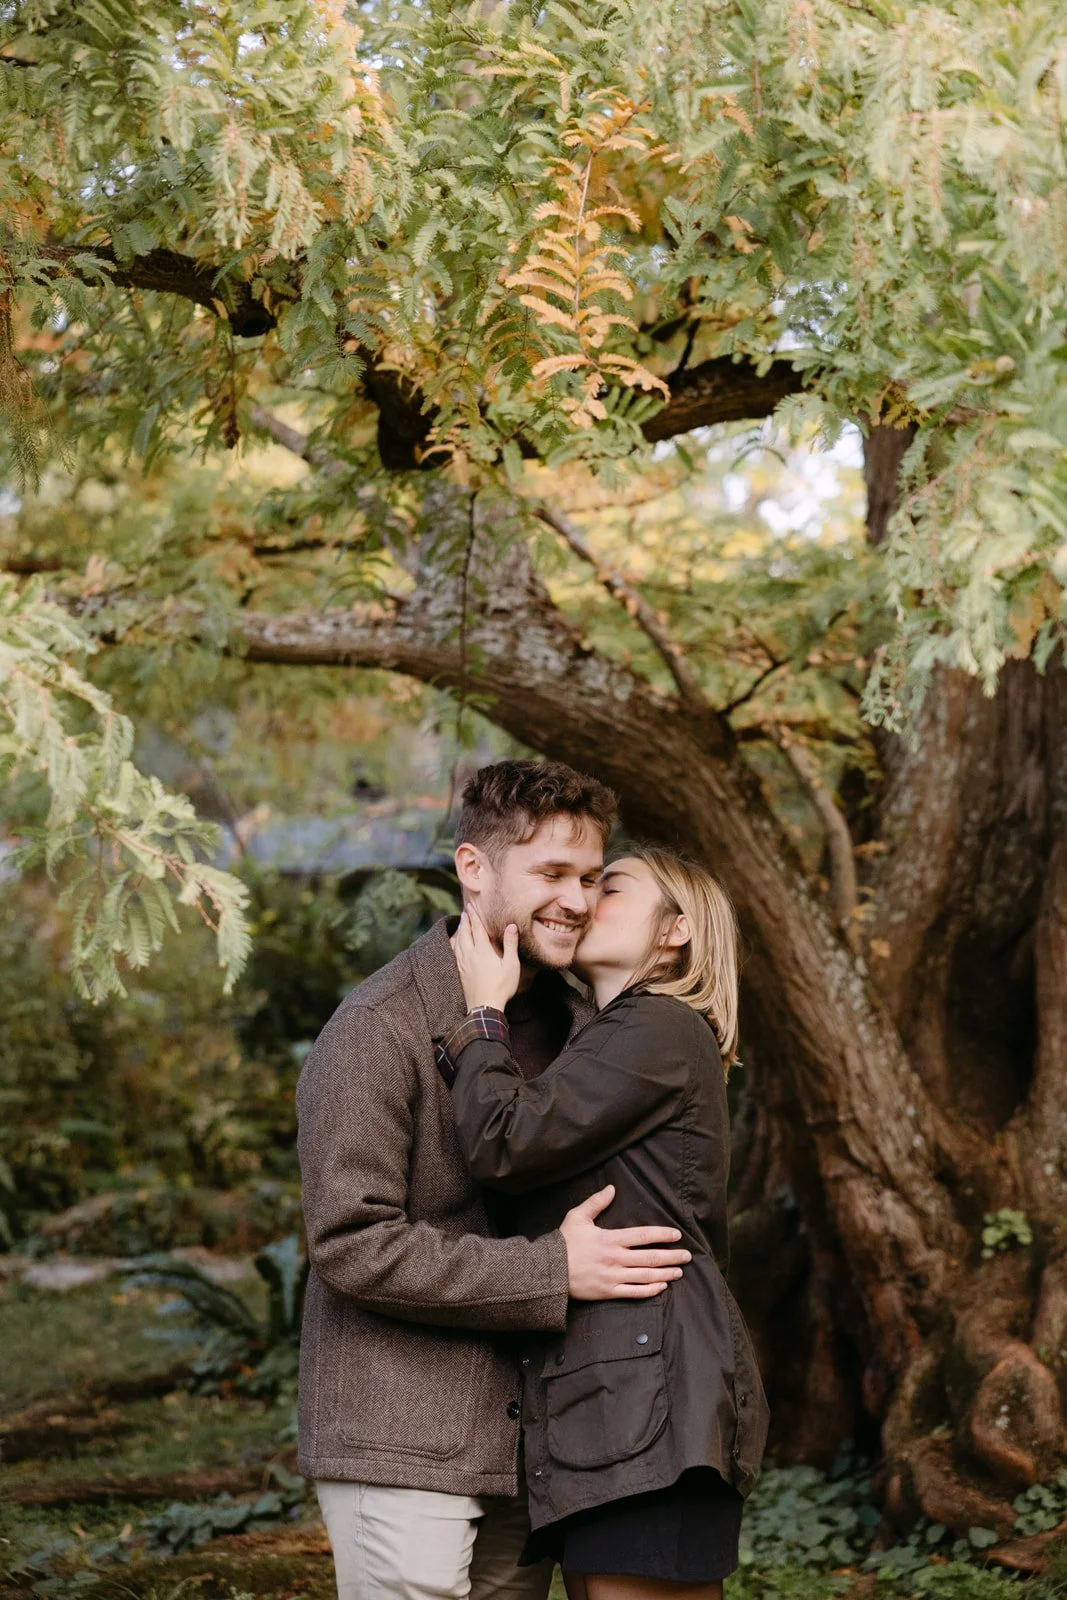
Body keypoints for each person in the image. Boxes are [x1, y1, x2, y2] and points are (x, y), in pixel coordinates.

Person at [297, 762, 695, 1600]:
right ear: (473, 868)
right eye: (550, 874)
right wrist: (555, 1271)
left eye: (590, 877)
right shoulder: (377, 1026)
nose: (578, 901)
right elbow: (351, 1243)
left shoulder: (588, 1019)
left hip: (534, 1447)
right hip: (402, 1438)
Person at [442, 845, 771, 1600]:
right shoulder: (613, 1034)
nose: (585, 902)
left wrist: (482, 1018)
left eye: (609, 887)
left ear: (675, 932)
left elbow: (504, 1141)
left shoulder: (658, 1025)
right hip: (622, 1399)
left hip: (648, 1399)